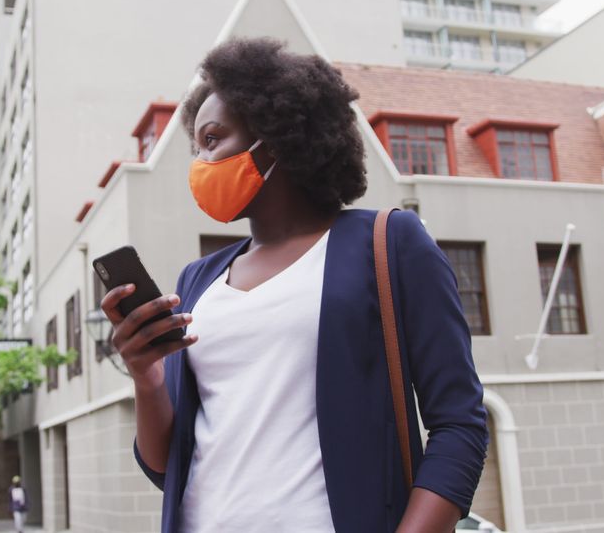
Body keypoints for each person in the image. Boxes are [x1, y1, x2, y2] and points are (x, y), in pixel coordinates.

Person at [100, 38, 488, 532]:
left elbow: (460, 425)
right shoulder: (197, 280)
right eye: (196, 148)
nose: (200, 163)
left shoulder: (388, 242)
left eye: (214, 139)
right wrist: (147, 378)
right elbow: (165, 466)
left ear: (279, 136)